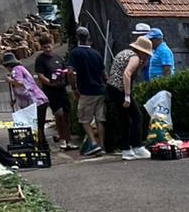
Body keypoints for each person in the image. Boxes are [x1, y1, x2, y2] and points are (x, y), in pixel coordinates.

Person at [103, 36, 153, 159]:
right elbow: (127, 73)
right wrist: (127, 95)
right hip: (120, 89)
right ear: (141, 51)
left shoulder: (124, 53)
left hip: (112, 88)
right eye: (146, 54)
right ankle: (137, 146)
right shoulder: (135, 57)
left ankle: (126, 149)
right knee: (137, 116)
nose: (147, 57)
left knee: (125, 119)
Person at [67, 27, 107, 157]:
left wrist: (74, 88)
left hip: (86, 91)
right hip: (99, 90)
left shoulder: (75, 53)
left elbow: (70, 72)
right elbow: (103, 74)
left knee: (84, 120)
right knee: (100, 119)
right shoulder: (96, 53)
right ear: (88, 37)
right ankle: (102, 145)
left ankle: (94, 143)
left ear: (77, 37)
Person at [2, 50, 50, 147]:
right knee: (39, 124)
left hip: (34, 101)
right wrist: (15, 100)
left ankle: (40, 145)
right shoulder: (21, 68)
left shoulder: (16, 70)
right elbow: (24, 87)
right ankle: (42, 144)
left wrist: (9, 80)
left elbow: (19, 83)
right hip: (40, 99)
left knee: (35, 125)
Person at [33, 41, 74, 149]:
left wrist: (67, 79)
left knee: (65, 115)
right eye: (45, 47)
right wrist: (51, 83)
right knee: (59, 114)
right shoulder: (40, 60)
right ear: (42, 48)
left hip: (62, 89)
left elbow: (65, 70)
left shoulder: (58, 57)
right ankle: (62, 139)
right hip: (51, 91)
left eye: (49, 46)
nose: (47, 49)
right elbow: (41, 75)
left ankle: (68, 140)